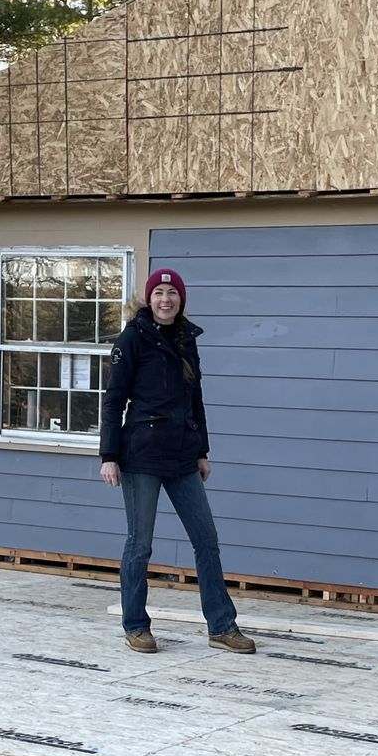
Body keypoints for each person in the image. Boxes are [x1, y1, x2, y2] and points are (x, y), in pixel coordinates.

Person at [100, 267, 255, 655]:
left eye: (172, 293)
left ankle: (222, 626)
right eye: (159, 293)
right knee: (140, 545)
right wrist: (109, 456)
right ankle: (136, 626)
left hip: (183, 454)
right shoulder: (132, 339)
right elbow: (113, 400)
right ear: (148, 299)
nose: (165, 299)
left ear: (180, 300)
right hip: (142, 455)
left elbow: (195, 399)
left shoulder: (187, 339)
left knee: (207, 541)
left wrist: (202, 451)